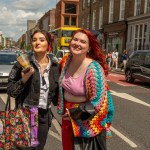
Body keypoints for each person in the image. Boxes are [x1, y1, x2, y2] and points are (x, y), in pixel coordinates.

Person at [57, 29, 114, 150]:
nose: (77, 43)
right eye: (75, 39)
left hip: (86, 121)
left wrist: (75, 113)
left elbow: (97, 102)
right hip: (67, 119)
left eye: (83, 41)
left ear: (88, 48)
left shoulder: (94, 69)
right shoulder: (65, 61)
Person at [7, 29, 60, 150]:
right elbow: (11, 91)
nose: (37, 43)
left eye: (42, 40)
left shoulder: (55, 66)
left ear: (48, 44)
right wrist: (24, 79)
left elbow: (57, 94)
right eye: (34, 40)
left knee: (39, 148)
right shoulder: (22, 63)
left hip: (44, 116)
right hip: (26, 113)